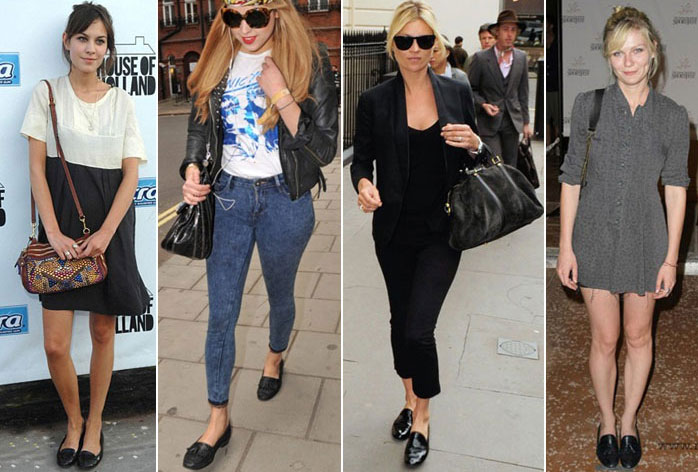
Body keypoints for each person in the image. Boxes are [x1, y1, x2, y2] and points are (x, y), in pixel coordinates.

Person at [178, 0, 338, 468]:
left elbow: (325, 148)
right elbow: (199, 126)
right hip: (228, 198)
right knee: (221, 313)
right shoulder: (218, 59)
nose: (244, 28)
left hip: (285, 200)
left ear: (277, 13)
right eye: (233, 17)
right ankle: (217, 418)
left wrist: (282, 95)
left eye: (256, 16)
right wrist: (191, 169)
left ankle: (274, 355)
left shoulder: (309, 58)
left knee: (280, 294)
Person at [350, 0, 483, 466]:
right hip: (393, 232)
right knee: (399, 322)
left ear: (435, 45)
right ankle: (408, 398)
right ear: (393, 44)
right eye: (405, 40)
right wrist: (364, 185)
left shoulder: (456, 92)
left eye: (423, 40)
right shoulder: (374, 100)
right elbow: (361, 160)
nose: (414, 48)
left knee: (419, 330)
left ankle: (423, 416)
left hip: (443, 231)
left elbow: (478, 157)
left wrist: (476, 143)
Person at [556, 7, 689, 470]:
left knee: (637, 335)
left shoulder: (673, 116)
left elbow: (677, 188)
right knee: (605, 338)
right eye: (618, 53)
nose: (627, 61)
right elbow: (570, 179)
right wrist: (565, 247)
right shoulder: (588, 105)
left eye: (636, 50)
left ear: (653, 52)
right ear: (608, 58)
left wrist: (671, 259)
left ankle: (629, 420)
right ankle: (607, 420)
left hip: (647, 239)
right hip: (593, 236)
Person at [19, 2, 149, 468]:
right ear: (67, 42)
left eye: (100, 41)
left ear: (107, 48)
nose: (91, 49)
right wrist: (52, 232)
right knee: (55, 344)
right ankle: (72, 422)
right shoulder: (47, 94)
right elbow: (37, 169)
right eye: (83, 39)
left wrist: (108, 233)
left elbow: (131, 174)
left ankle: (94, 425)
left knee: (101, 332)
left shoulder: (121, 101)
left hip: (109, 231)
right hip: (61, 232)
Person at [468, 10, 531, 166]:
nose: (509, 34)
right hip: (489, 123)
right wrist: (483, 104)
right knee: (495, 165)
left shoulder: (521, 57)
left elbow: (523, 92)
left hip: (512, 121)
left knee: (510, 166)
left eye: (513, 30)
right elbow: (470, 89)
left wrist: (526, 123)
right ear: (497, 31)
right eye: (505, 29)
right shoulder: (481, 58)